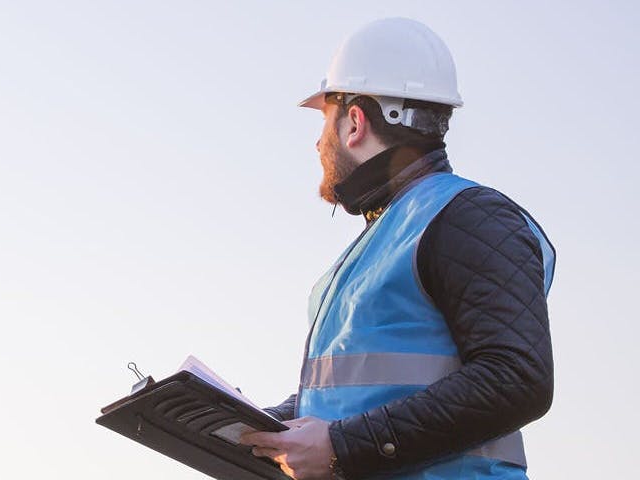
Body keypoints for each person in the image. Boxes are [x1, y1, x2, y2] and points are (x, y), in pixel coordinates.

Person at [238, 18, 556, 480]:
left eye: (324, 121)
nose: (318, 142)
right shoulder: (386, 237)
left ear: (354, 123)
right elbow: (357, 394)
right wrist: (266, 425)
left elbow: (517, 378)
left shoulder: (466, 216)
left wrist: (340, 446)